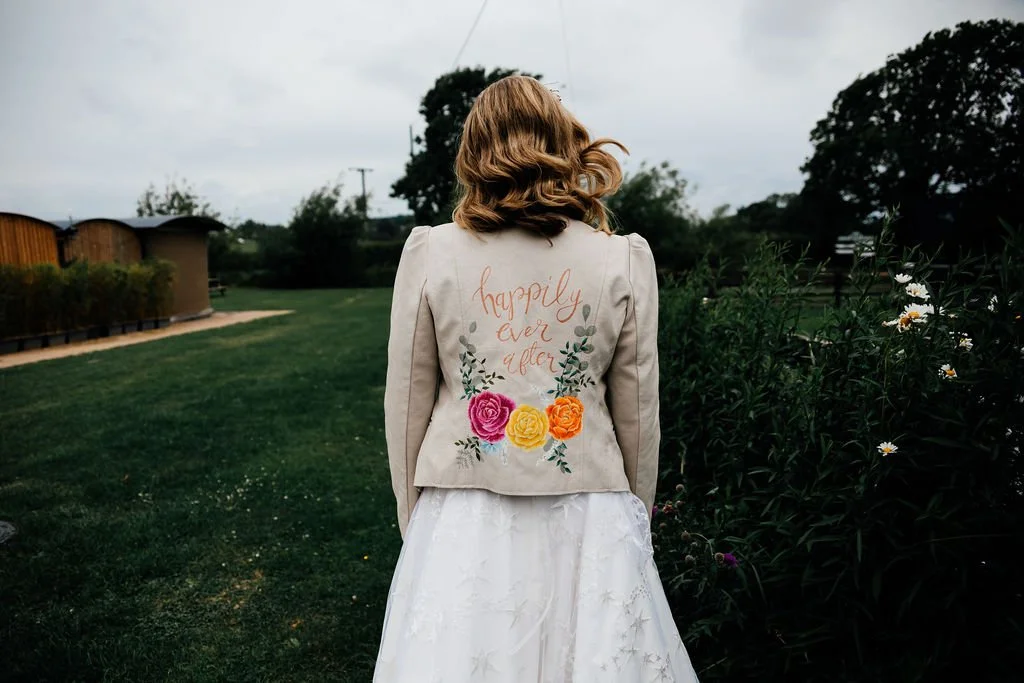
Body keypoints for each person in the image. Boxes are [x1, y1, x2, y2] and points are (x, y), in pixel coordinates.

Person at [375, 75, 698, 682]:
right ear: (560, 143)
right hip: (591, 507)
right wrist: (635, 514)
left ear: (474, 149)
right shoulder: (621, 257)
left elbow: (407, 401)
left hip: (462, 506)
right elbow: (637, 409)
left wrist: (412, 514)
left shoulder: (432, 252)